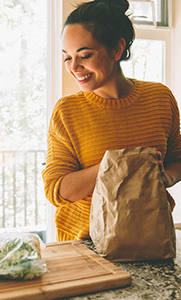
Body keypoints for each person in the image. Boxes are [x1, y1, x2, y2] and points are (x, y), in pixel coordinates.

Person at [42, 0, 181, 242]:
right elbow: (57, 190)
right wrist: (120, 164)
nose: (74, 67)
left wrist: (166, 177)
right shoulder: (67, 111)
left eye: (84, 55)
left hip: (152, 239)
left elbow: (177, 159)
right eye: (67, 57)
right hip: (86, 247)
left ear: (117, 50)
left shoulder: (160, 98)